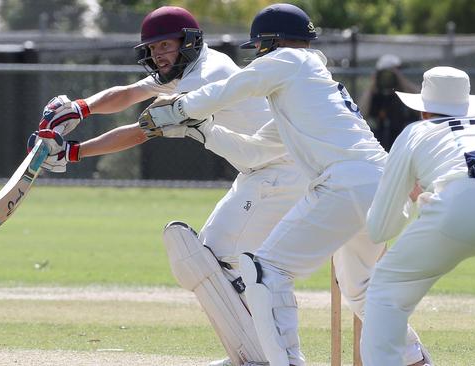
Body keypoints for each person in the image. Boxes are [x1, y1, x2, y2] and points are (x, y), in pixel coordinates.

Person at [139, 3, 432, 366]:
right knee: (363, 292)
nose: (257, 57)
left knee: (266, 270)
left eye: (259, 50)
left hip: (348, 183)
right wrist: (202, 130)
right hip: (381, 188)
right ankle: (416, 361)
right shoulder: (306, 92)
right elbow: (255, 153)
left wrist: (181, 107)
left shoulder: (293, 61)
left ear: (269, 44)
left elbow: (236, 86)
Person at [29, 6, 310, 366]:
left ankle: (271, 355)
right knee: (220, 261)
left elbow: (142, 131)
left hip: (280, 172)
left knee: (216, 259)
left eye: (165, 45)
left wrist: (75, 152)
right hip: (263, 171)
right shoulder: (187, 68)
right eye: (152, 48)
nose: (158, 54)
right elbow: (129, 93)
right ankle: (263, 352)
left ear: (188, 42)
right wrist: (81, 108)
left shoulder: (204, 76)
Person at [362, 66, 475, 365]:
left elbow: (379, 229)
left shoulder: (415, 131)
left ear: (424, 111)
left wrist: (414, 202)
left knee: (385, 294)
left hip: (458, 206)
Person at [358, 54, 419, 151]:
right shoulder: (374, 95)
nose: (388, 77)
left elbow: (420, 106)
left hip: (402, 147)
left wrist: (401, 80)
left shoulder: (405, 95)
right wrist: (372, 85)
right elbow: (360, 115)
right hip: (378, 148)